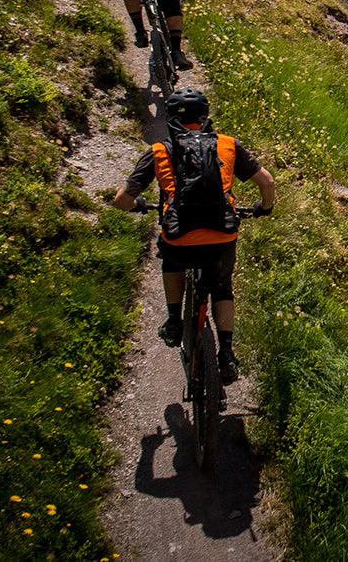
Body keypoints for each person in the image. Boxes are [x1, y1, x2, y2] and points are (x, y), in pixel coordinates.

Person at [113, 87, 275, 384]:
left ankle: (175, 321)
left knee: (171, 260)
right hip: (222, 237)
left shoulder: (159, 150)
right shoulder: (227, 145)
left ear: (171, 117)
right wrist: (264, 209)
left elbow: (121, 199)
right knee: (222, 288)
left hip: (179, 238)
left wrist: (135, 205)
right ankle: (226, 353)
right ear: (205, 117)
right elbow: (267, 182)